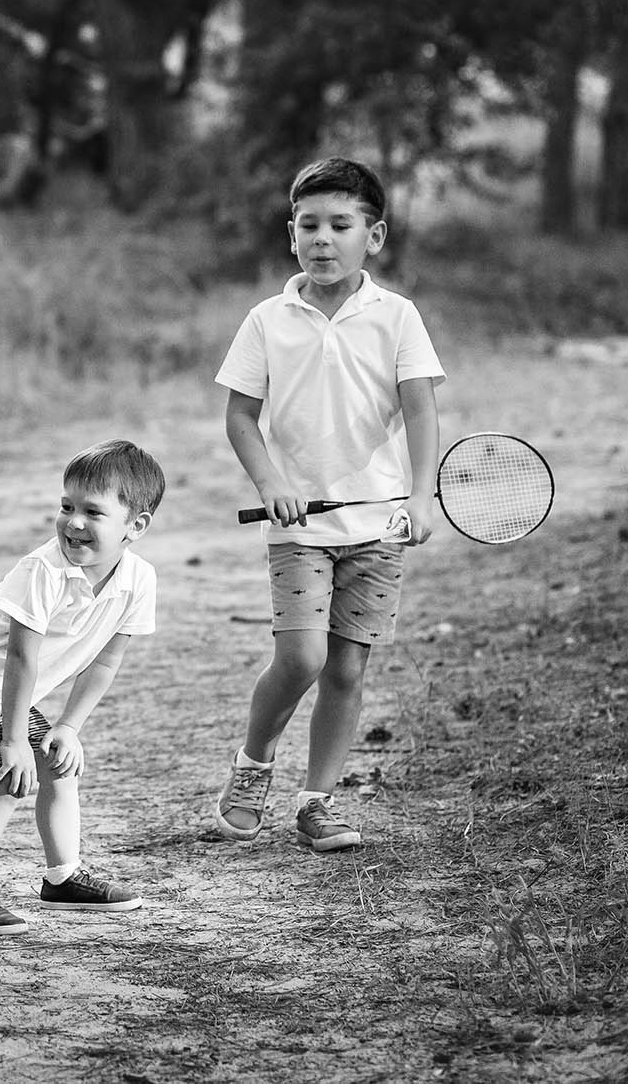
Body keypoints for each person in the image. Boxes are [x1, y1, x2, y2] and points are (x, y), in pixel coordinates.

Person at [210, 156, 443, 853]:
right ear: (290, 233)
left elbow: (421, 410)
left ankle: (318, 801)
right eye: (309, 224)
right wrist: (270, 482)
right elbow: (240, 417)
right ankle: (253, 764)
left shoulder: (397, 316)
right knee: (304, 656)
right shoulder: (267, 319)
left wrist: (422, 492)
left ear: (373, 236)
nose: (323, 237)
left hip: (378, 525)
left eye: (341, 224)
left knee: (347, 667)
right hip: (299, 527)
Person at [0, 439, 163, 936]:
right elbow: (23, 656)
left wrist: (67, 726)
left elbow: (107, 660)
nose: (74, 522)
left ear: (136, 526)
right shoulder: (45, 569)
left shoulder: (139, 581)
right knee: (8, 776)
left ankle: (63, 878)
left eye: (93, 512)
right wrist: (13, 740)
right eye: (66, 507)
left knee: (57, 767)